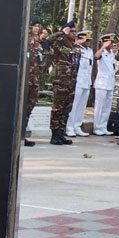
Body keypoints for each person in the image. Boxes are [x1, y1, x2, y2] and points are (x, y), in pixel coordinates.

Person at [48, 21, 80, 145]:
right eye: (72, 31)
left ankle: (61, 133)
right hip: (60, 81)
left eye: (75, 31)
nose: (74, 33)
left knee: (67, 109)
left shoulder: (75, 46)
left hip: (71, 82)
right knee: (57, 108)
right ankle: (54, 134)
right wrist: (62, 32)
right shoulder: (58, 43)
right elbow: (49, 40)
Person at [65, 30, 94, 137]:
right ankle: (69, 127)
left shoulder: (89, 51)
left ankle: (77, 126)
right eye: (87, 40)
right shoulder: (76, 49)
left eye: (89, 40)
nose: (89, 42)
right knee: (74, 105)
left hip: (86, 81)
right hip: (77, 81)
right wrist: (77, 43)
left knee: (82, 106)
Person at [22, 16, 44, 147]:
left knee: (29, 108)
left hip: (34, 81)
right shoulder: (24, 41)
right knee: (22, 108)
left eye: (38, 26)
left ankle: (23, 135)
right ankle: (19, 135)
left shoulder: (37, 43)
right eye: (35, 26)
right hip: (26, 80)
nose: (37, 28)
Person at [92, 33, 118, 135]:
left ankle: (103, 126)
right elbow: (96, 56)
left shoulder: (111, 54)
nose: (111, 44)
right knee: (99, 106)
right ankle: (97, 127)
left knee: (107, 107)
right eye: (109, 42)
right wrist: (103, 46)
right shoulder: (102, 53)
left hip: (110, 83)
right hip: (102, 84)